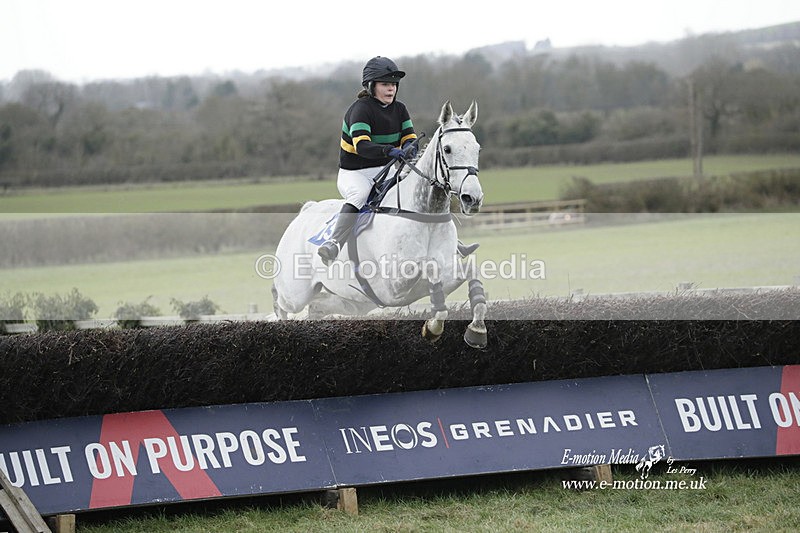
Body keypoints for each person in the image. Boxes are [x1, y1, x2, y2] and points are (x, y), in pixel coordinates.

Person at [317, 56, 418, 266]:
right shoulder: (360, 110)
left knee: (412, 193)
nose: (391, 89)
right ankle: (334, 242)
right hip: (355, 173)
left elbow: (410, 138)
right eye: (385, 84)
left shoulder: (400, 109)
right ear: (371, 86)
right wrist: (391, 150)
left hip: (385, 169)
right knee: (360, 194)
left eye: (393, 84)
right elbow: (362, 146)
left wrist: (410, 148)